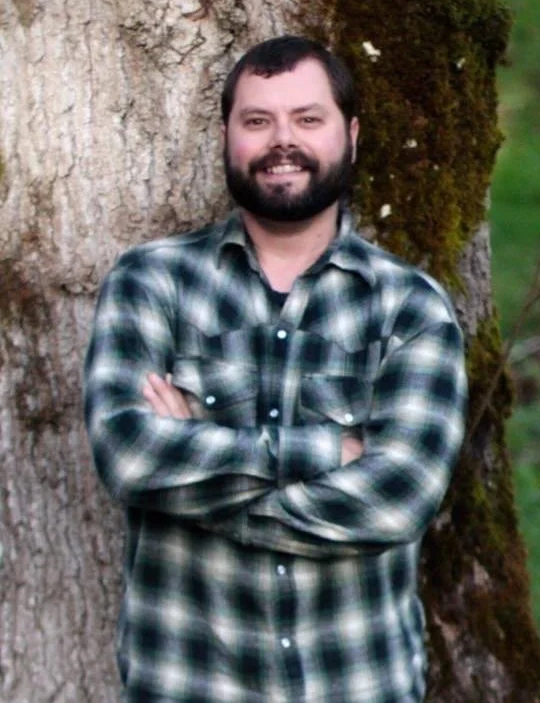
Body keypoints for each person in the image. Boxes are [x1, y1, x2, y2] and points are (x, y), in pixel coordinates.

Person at [84, 35, 467, 703]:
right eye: (257, 120)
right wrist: (326, 452)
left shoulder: (408, 306)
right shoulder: (152, 282)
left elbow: (397, 499)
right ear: (226, 137)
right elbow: (130, 458)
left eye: (307, 118)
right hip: (188, 681)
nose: (281, 140)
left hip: (358, 684)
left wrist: (195, 469)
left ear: (350, 136)